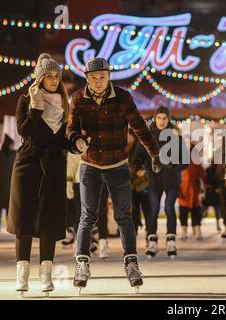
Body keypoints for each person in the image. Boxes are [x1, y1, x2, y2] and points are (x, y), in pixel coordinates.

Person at [67, 57, 161, 293]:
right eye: (93, 78)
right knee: (87, 216)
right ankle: (82, 264)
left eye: (102, 77)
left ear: (109, 76)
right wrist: (76, 139)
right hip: (90, 165)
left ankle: (131, 263)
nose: (98, 82)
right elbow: (70, 128)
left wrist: (155, 154)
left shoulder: (122, 98)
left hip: (118, 165)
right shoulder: (77, 99)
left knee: (123, 216)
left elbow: (139, 126)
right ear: (87, 79)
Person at [7, 53, 75, 297]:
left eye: (57, 76)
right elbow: (23, 130)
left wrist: (75, 144)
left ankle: (46, 274)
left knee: (50, 219)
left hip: (54, 164)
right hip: (28, 162)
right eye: (50, 76)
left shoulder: (64, 102)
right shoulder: (26, 99)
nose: (55, 80)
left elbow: (60, 140)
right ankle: (22, 274)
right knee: (24, 218)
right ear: (40, 78)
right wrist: (36, 108)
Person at [132, 106, 188, 259]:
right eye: (159, 118)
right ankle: (152, 241)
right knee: (153, 209)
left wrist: (175, 166)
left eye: (164, 118)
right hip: (153, 179)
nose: (162, 121)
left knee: (169, 207)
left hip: (171, 179)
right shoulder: (147, 135)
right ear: (155, 119)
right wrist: (138, 166)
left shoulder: (176, 136)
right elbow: (138, 155)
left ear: (168, 119)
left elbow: (186, 160)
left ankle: (171, 240)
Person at [178, 145, 207, 241]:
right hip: (187, 190)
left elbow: (203, 175)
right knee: (192, 212)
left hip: (189, 191)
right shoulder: (194, 162)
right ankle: (193, 230)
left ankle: (188, 230)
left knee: (187, 212)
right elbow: (203, 175)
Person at [0, 135, 16, 234]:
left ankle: (6, 225)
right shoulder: (12, 155)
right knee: (4, 204)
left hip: (3, 183)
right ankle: (3, 225)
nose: (12, 146)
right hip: (5, 183)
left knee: (6, 205)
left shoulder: (0, 154)